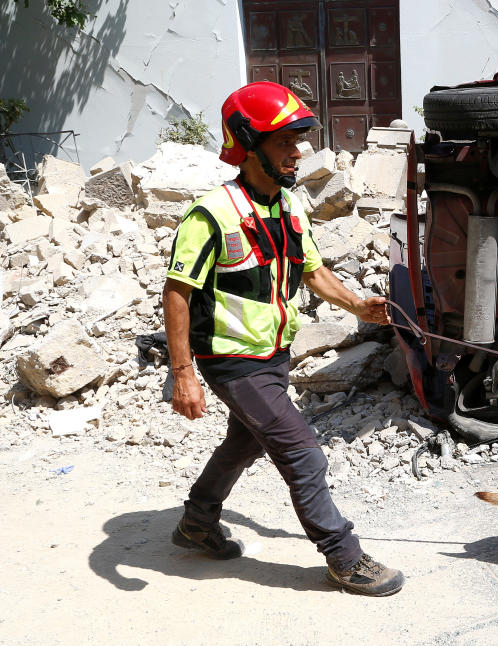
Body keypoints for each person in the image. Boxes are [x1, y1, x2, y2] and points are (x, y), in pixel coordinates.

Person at [162, 81, 404, 597]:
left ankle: (196, 523)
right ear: (248, 146)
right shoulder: (212, 213)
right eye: (284, 143)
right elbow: (177, 294)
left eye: (299, 141)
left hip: (273, 354)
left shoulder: (290, 207)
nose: (298, 153)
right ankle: (344, 557)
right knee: (303, 453)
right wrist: (183, 374)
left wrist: (359, 305)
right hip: (229, 359)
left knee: (244, 441)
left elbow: (312, 271)